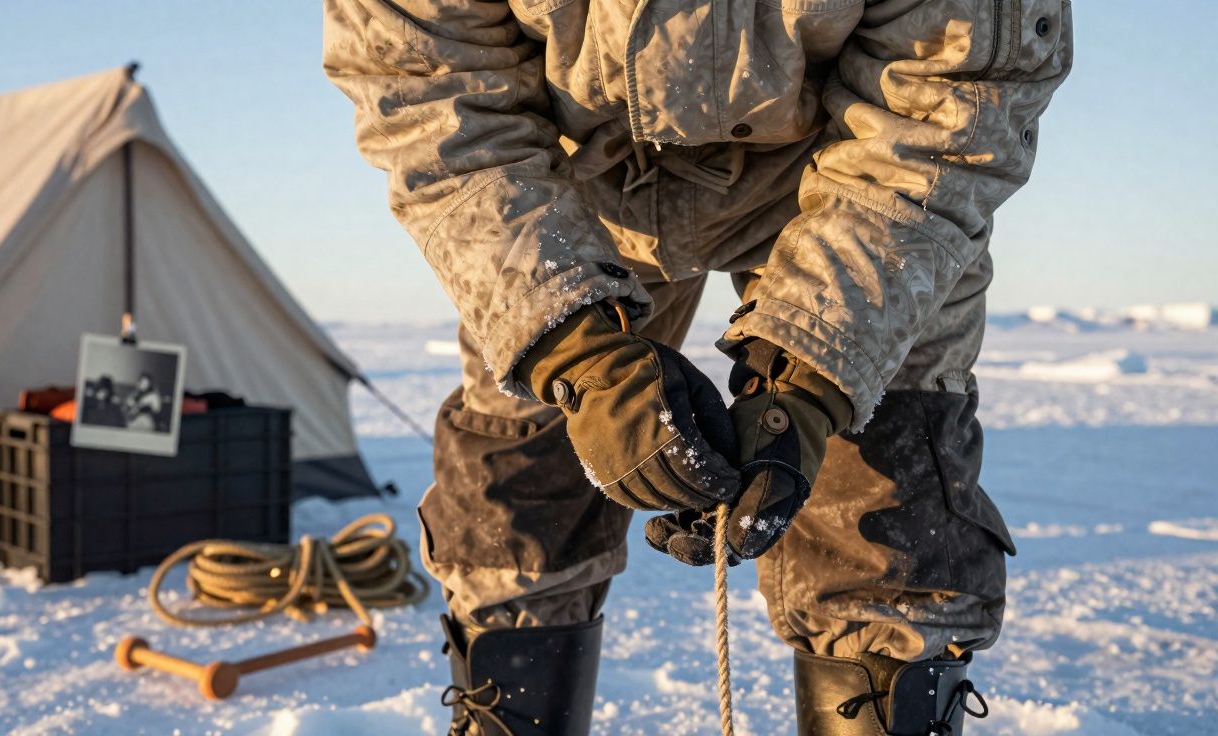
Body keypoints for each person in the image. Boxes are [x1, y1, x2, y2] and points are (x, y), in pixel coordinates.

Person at [325, 0, 1071, 732]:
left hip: (858, 195)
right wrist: (572, 351)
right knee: (520, 501)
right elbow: (428, 92)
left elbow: (949, 107)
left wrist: (809, 382)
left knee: (889, 506)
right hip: (558, 199)